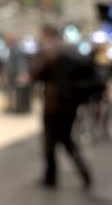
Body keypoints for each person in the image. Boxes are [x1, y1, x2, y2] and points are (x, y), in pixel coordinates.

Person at [31, 25, 92, 191]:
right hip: (71, 103)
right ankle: (85, 173)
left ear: (46, 35)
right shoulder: (75, 51)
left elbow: (36, 74)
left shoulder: (50, 52)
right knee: (66, 138)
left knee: (50, 142)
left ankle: (50, 178)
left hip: (53, 103)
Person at [5, 35, 30, 113]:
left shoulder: (17, 50)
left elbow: (21, 62)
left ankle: (17, 107)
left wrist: (22, 73)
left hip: (15, 73)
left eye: (8, 40)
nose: (6, 42)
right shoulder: (11, 49)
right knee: (12, 91)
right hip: (12, 73)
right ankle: (13, 106)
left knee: (16, 91)